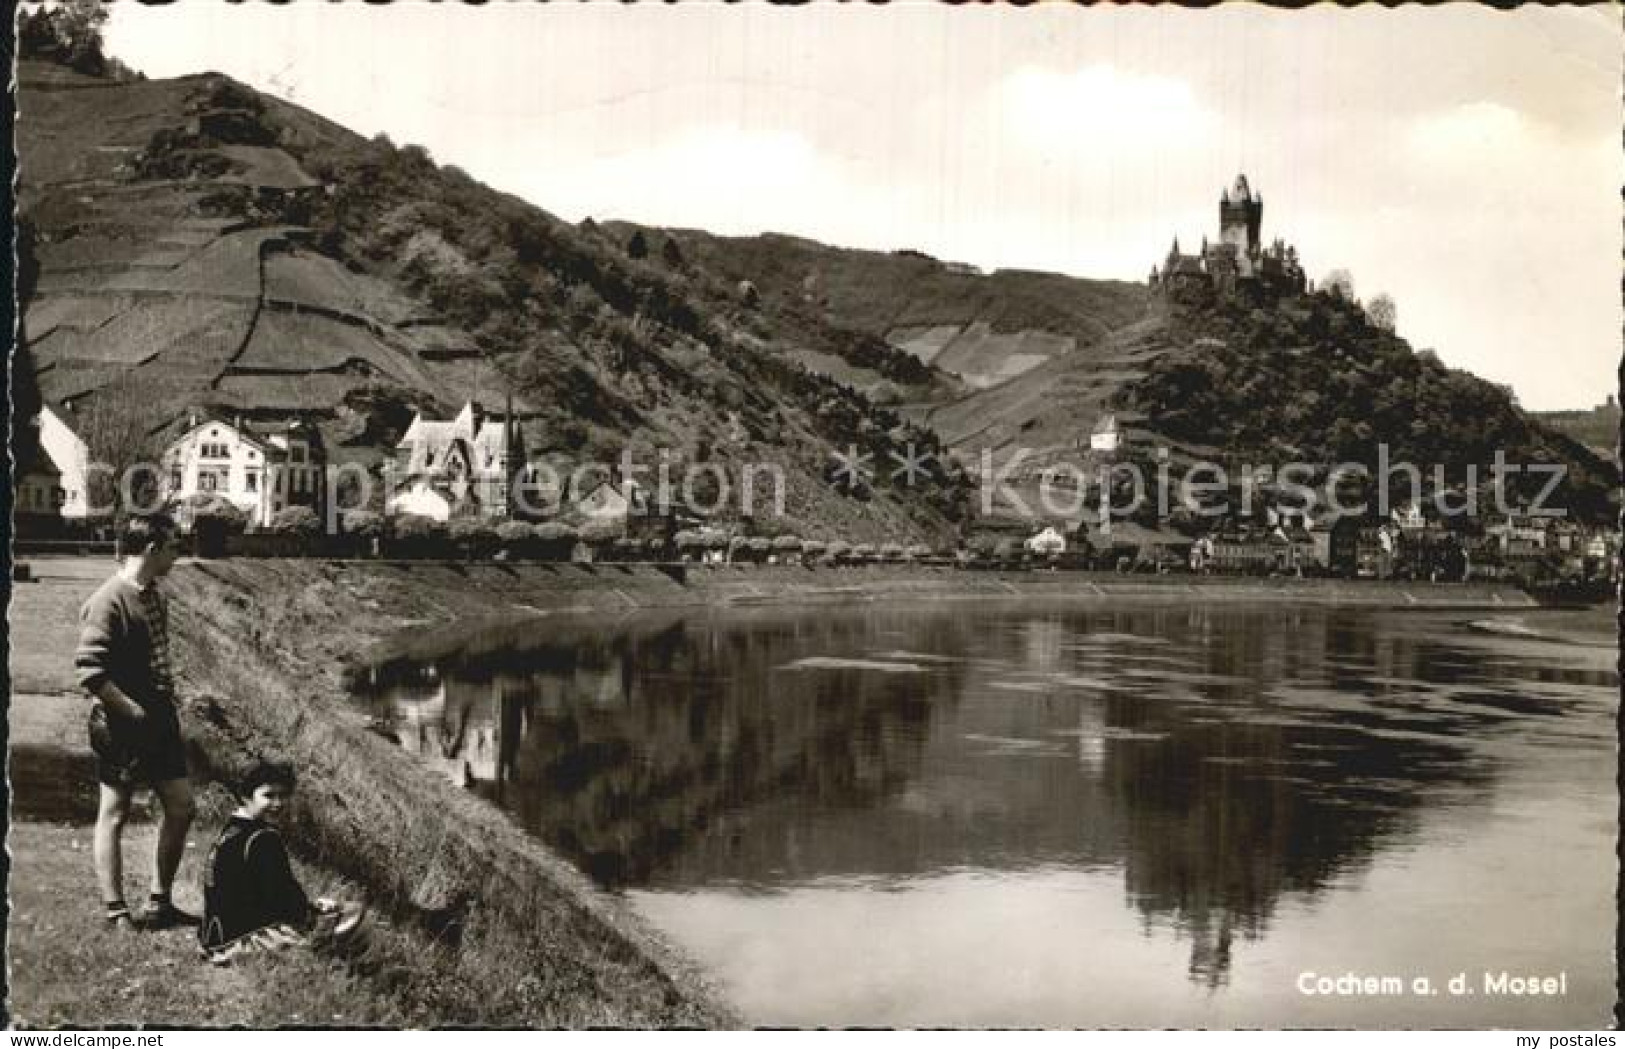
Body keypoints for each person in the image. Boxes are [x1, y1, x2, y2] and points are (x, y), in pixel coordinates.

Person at [76, 511, 197, 930]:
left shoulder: (154, 594)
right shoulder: (108, 600)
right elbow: (90, 672)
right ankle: (116, 910)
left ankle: (160, 902)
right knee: (115, 811)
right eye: (173, 546)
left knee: (181, 807)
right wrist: (131, 710)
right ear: (152, 548)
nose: (177, 553)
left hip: (159, 719)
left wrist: (159, 708)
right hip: (121, 721)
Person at [198, 761, 367, 964]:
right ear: (245, 796)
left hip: (212, 937)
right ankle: (333, 962)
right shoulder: (264, 838)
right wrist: (313, 911)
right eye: (269, 796)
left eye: (283, 795)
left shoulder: (232, 829)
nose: (278, 803)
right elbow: (283, 897)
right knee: (353, 912)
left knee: (333, 912)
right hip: (240, 940)